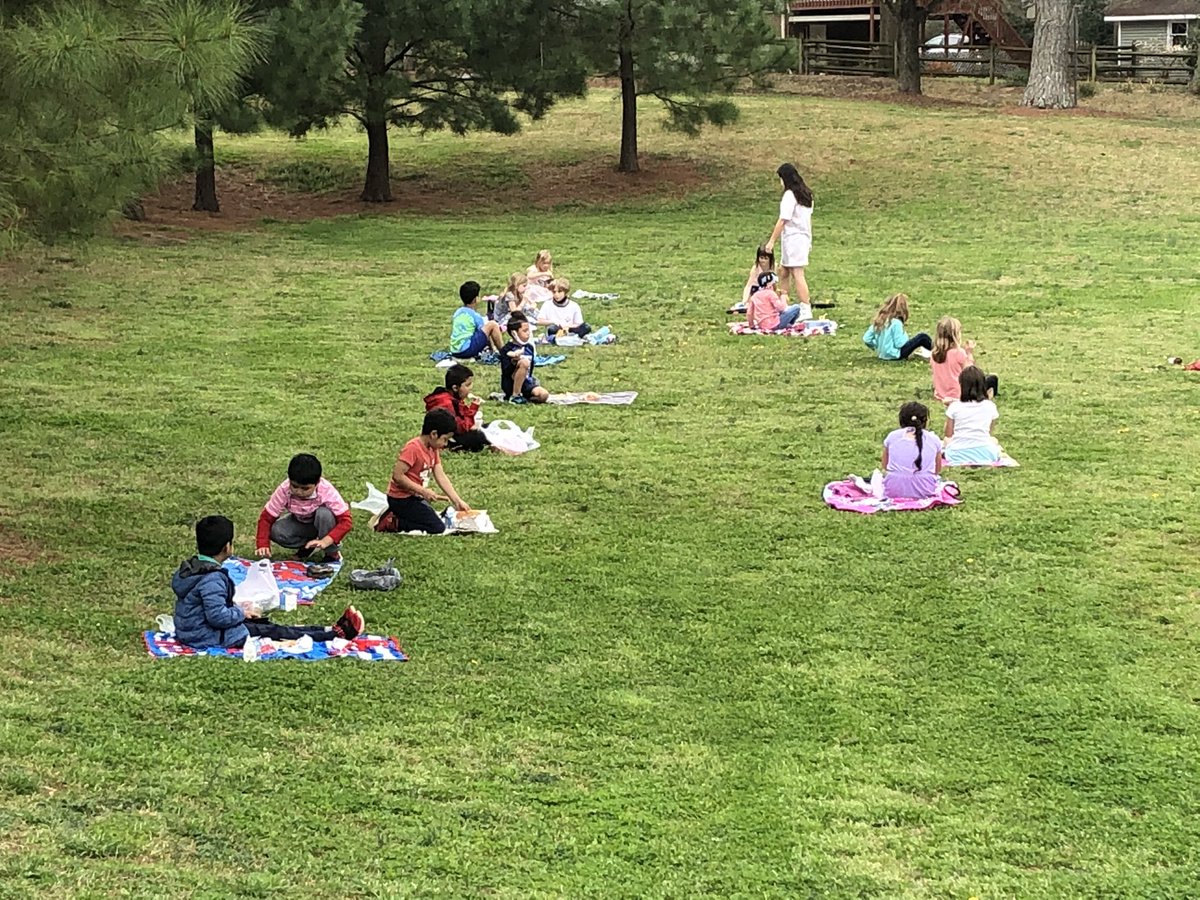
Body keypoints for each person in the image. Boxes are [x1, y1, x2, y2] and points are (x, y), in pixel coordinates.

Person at [172, 515, 363, 651]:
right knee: (271, 630)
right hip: (206, 635)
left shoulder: (192, 568)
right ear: (227, 547)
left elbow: (210, 608)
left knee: (261, 623)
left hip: (193, 630)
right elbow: (217, 617)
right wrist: (239, 613)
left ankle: (328, 629)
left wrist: (241, 611)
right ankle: (334, 634)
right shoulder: (212, 579)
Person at [385, 408, 474, 534]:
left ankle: (403, 515)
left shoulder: (433, 449)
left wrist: (457, 500)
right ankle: (392, 522)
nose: (445, 444)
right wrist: (423, 491)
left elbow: (440, 474)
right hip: (401, 499)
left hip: (415, 497)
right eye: (445, 439)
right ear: (433, 434)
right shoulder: (413, 448)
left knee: (432, 516)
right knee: (437, 528)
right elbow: (397, 476)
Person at [255, 453, 351, 562]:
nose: (299, 492)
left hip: (324, 524)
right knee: (275, 531)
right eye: (294, 486)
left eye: (305, 489)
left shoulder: (326, 490)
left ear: (317, 483)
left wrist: (326, 541)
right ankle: (307, 548)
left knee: (324, 514)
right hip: (302, 523)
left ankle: (332, 553)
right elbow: (266, 518)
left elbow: (346, 521)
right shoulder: (284, 489)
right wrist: (263, 544)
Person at [764, 163, 813, 321]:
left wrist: (771, 241)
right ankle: (783, 304)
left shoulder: (790, 196)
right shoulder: (806, 195)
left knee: (797, 273)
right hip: (801, 237)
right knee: (783, 270)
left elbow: (783, 220)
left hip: (794, 238)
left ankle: (806, 307)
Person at [882, 401, 943, 500]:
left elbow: (885, 465)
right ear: (925, 421)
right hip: (925, 490)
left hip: (893, 490)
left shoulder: (892, 436)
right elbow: (937, 469)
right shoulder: (933, 439)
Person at [931, 315, 998, 404]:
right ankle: (986, 397)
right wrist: (969, 353)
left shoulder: (934, 354)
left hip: (941, 393)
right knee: (992, 379)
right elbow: (971, 373)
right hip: (960, 394)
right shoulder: (958, 353)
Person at [424, 363, 490, 452]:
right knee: (479, 437)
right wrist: (473, 409)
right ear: (455, 388)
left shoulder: (453, 398)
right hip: (448, 438)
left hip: (456, 433)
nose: (470, 388)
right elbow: (459, 428)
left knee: (490, 427)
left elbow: (462, 416)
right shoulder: (446, 403)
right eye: (467, 385)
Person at [943, 366, 1003, 465]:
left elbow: (948, 434)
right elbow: (989, 432)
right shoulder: (990, 406)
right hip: (986, 453)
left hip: (957, 453)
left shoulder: (955, 406)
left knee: (946, 441)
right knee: (993, 440)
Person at [863, 293, 932, 361]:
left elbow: (866, 338)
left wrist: (877, 346)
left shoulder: (880, 321)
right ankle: (939, 351)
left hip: (883, 355)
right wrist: (906, 337)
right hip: (896, 355)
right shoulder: (896, 323)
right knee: (922, 337)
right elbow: (900, 344)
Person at [500, 313, 550, 404]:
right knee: (524, 363)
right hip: (511, 383)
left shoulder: (529, 347)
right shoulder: (506, 349)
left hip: (526, 383)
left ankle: (526, 398)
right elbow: (506, 372)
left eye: (528, 330)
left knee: (544, 395)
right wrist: (514, 362)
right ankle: (515, 395)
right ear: (514, 333)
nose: (528, 333)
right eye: (525, 331)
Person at [451, 280, 504, 359]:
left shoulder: (458, 312)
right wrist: (492, 348)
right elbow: (485, 335)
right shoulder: (475, 316)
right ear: (475, 299)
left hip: (455, 350)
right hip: (466, 350)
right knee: (492, 324)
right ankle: (503, 352)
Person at [729, 246, 776, 314]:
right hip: (757, 290)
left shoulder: (774, 267)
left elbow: (775, 284)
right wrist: (744, 300)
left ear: (770, 259)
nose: (763, 261)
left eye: (766, 258)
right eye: (761, 258)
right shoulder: (755, 268)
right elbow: (749, 285)